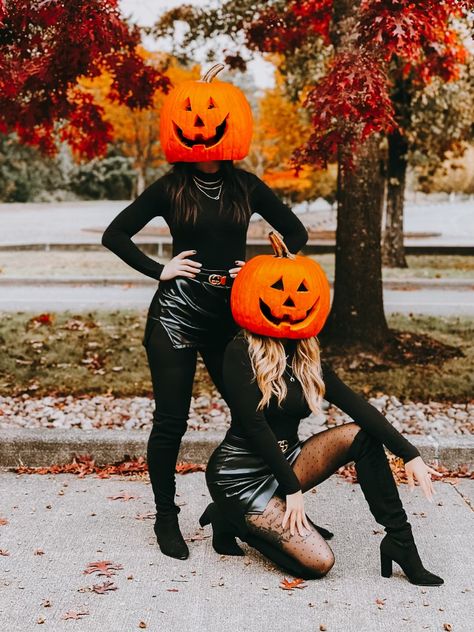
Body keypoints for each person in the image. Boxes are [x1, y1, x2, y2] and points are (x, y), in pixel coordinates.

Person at [101, 65, 333, 560]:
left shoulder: (247, 187)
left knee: (259, 414)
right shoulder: (169, 187)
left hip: (230, 315)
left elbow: (295, 233)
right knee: (171, 422)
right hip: (175, 315)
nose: (204, 124)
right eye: (194, 116)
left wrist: (258, 268)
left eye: (214, 115)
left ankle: (249, 504)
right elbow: (115, 234)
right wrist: (159, 269)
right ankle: (168, 517)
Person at [201, 237, 444, 585]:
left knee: (361, 436)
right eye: (279, 289)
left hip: (289, 462)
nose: (289, 300)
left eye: (301, 289)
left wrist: (409, 454)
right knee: (319, 564)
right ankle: (230, 517)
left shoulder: (305, 354)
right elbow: (254, 425)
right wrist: (293, 491)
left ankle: (400, 542)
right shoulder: (240, 349)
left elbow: (359, 408)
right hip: (240, 478)